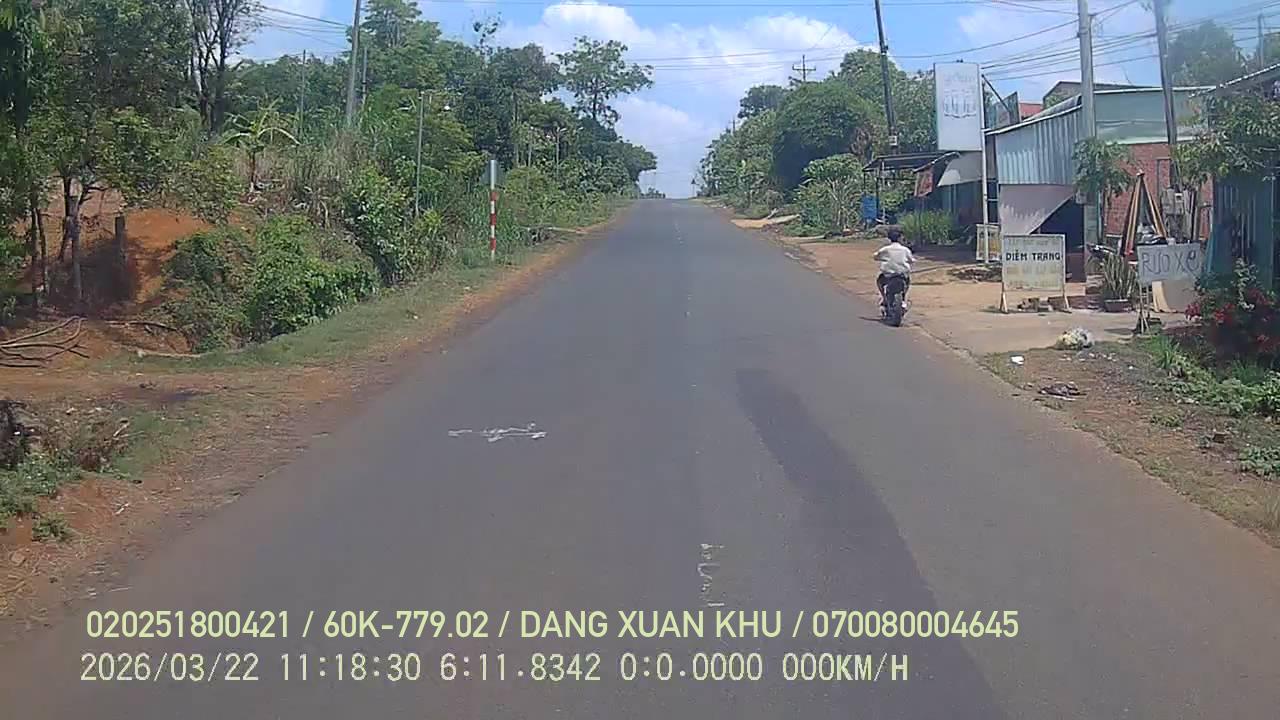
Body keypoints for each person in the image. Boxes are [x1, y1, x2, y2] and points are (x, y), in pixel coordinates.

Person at [874, 228, 915, 308]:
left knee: (879, 281)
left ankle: (884, 298)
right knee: (907, 283)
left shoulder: (885, 249)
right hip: (902, 273)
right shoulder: (905, 250)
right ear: (900, 238)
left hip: (888, 274)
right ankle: (903, 299)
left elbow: (876, 256)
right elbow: (911, 260)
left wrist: (879, 258)